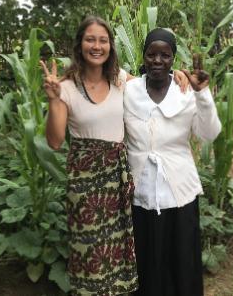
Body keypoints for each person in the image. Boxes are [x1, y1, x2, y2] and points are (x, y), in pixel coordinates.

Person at [40, 16, 188, 295]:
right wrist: (52, 100)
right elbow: (56, 141)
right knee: (90, 253)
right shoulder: (67, 88)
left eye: (103, 40)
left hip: (118, 179)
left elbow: (153, 78)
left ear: (110, 46)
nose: (97, 46)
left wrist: (176, 73)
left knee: (120, 251)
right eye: (90, 39)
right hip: (84, 183)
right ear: (80, 44)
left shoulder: (121, 80)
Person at [123, 28, 222, 296]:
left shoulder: (186, 91)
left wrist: (203, 93)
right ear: (143, 56)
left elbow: (209, 133)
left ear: (173, 58)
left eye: (165, 55)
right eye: (151, 54)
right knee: (145, 260)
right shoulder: (128, 90)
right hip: (140, 193)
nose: (157, 60)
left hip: (179, 191)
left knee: (181, 260)